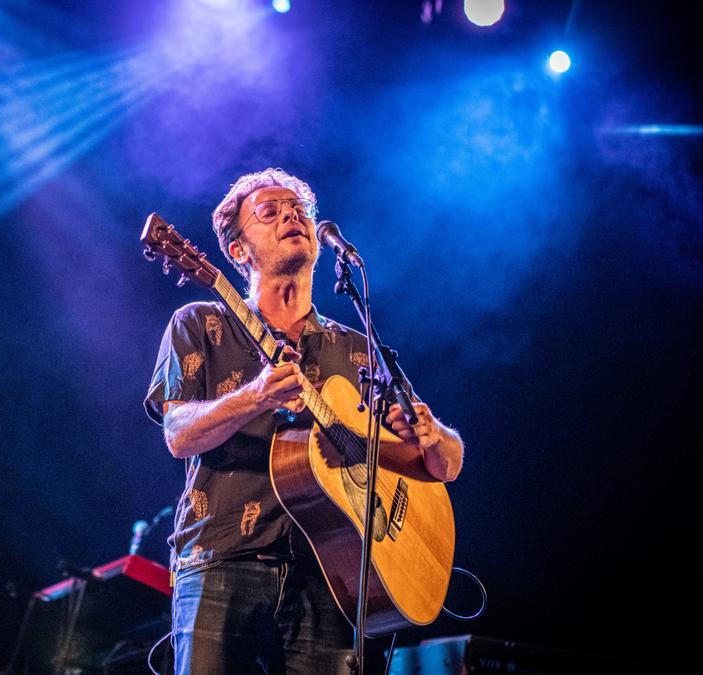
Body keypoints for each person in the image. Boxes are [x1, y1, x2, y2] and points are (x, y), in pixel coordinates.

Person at [144, 168, 464, 674]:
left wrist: (432, 435)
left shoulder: (356, 348)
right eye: (268, 212)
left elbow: (443, 464)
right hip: (223, 560)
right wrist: (253, 398)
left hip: (332, 577)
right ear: (238, 251)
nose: (291, 216)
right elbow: (178, 435)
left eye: (299, 210)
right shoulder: (200, 323)